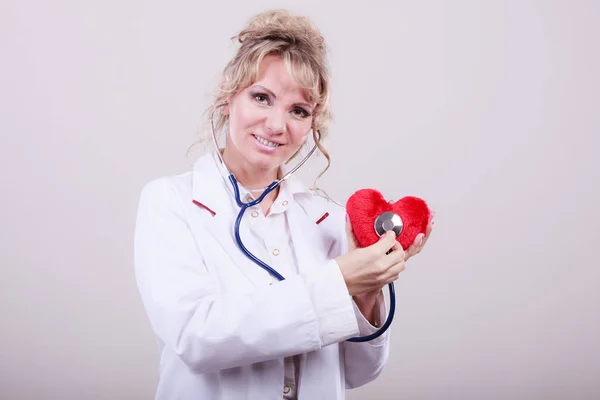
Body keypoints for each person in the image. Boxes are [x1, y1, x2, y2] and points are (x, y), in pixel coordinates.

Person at [133, 9, 434, 400]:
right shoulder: (170, 203)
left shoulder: (328, 219)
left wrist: (367, 290)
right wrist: (338, 280)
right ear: (227, 97)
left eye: (298, 111)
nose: (277, 125)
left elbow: (359, 372)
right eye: (262, 98)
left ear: (313, 124)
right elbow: (195, 336)